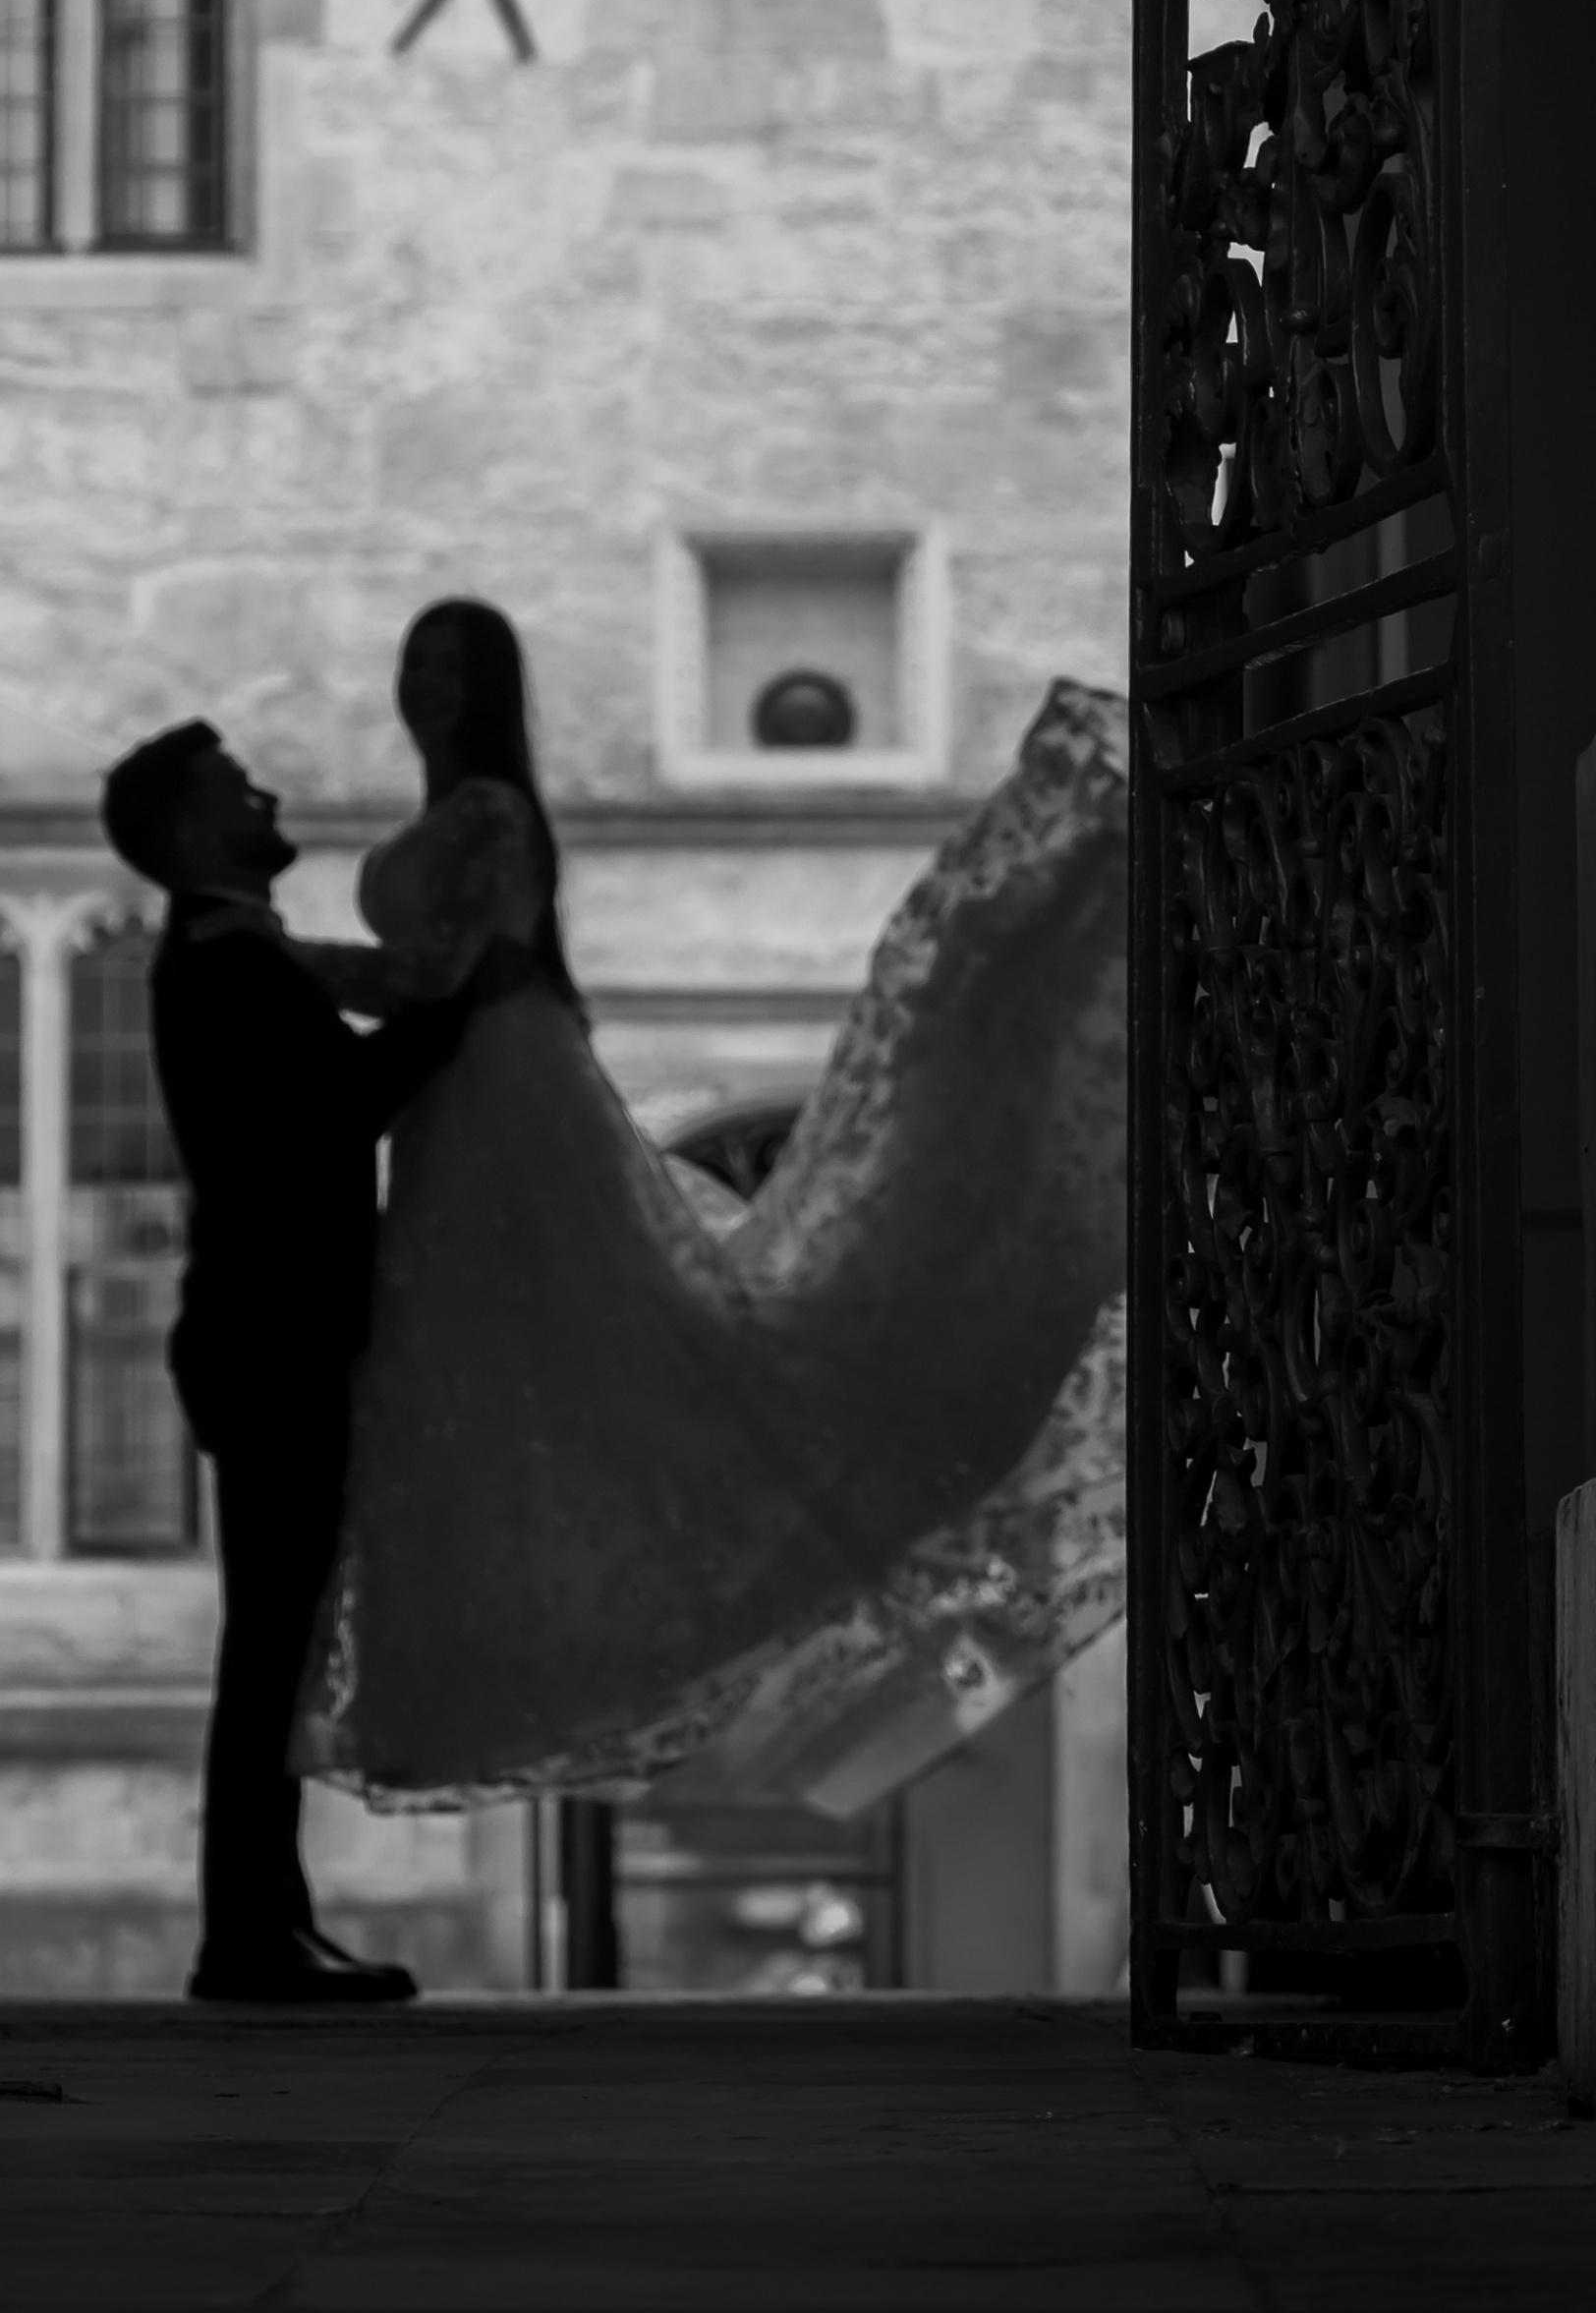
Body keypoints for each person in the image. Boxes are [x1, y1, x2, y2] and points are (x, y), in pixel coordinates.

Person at [237, 604, 1129, 1808]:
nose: (424, 687)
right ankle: (468, 1655)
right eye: (415, 665)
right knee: (473, 1384)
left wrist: (270, 957)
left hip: (504, 1094)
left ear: (486, 687)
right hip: (468, 1098)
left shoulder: (492, 816)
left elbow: (438, 978)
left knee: (615, 1371)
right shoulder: (466, 815)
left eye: (448, 668)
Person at [97, 717, 472, 2002]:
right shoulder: (222, 963)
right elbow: (341, 1111)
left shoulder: (243, 955)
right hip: (270, 1342)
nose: (267, 792)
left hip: (272, 1334)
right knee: (267, 1646)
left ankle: (270, 1922)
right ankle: (245, 1937)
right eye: (236, 787)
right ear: (198, 830)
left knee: (278, 1643)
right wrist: (468, 1002)